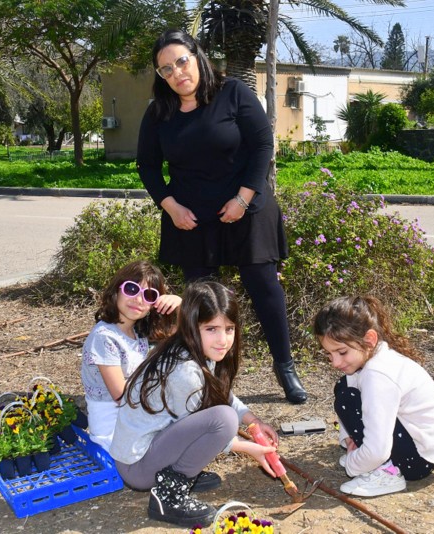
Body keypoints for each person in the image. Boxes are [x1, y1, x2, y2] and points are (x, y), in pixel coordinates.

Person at [136, 28, 307, 404]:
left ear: (197, 56)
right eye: (166, 69)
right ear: (161, 76)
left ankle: (286, 367)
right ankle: (205, 377)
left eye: (182, 61)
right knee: (200, 300)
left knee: (264, 287)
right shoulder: (159, 112)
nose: (177, 72)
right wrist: (171, 206)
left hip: (246, 209)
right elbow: (147, 166)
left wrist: (243, 199)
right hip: (192, 220)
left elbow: (263, 144)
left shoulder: (233, 93)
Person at [109, 281, 280, 528]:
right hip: (137, 467)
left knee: (225, 415)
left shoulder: (195, 351)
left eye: (229, 329)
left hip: (153, 448)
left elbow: (225, 394)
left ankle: (179, 472)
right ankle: (170, 494)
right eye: (211, 329)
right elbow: (209, 430)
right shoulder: (184, 372)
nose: (223, 340)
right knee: (224, 420)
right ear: (191, 325)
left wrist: (253, 421)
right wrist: (247, 447)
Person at [312, 295, 434, 497]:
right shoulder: (375, 358)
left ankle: (387, 473)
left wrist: (353, 464)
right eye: (329, 354)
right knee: (344, 386)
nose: (335, 362)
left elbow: (378, 449)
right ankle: (370, 460)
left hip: (416, 461)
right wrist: (349, 442)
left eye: (342, 352)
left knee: (347, 398)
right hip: (417, 448)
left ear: (369, 340)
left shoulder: (378, 374)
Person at [80, 260, 181, 449]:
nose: (139, 300)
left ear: (154, 305)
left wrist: (181, 306)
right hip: (114, 433)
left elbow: (192, 336)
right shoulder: (104, 336)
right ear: (116, 290)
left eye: (149, 295)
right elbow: (121, 395)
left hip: (136, 419)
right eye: (132, 289)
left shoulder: (137, 333)